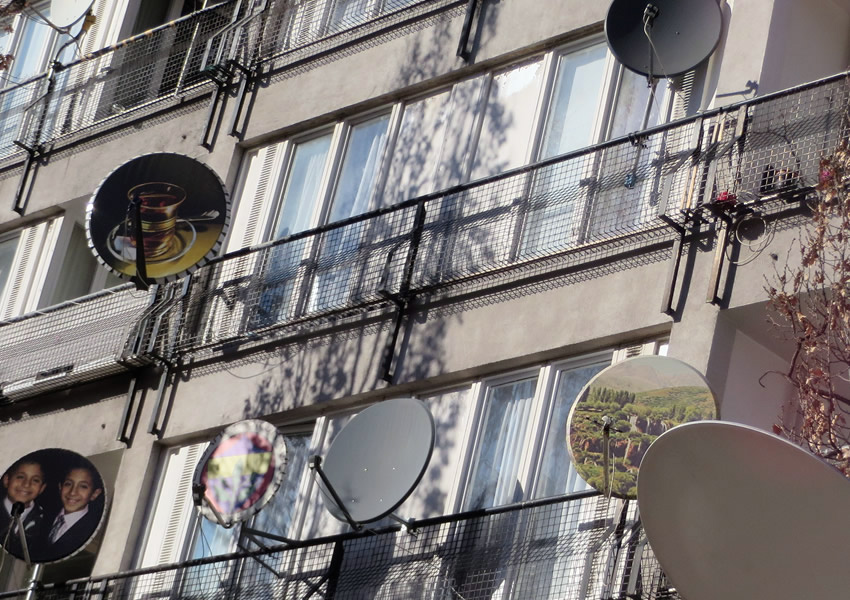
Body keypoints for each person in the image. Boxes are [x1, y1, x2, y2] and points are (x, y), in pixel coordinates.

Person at [40, 462, 104, 562]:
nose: (73, 492)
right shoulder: (42, 517)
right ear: (60, 487)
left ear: (94, 494)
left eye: (83, 486)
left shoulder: (92, 528)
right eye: (68, 484)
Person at [0, 458, 47, 560]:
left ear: (42, 488)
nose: (26, 484)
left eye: (35, 480)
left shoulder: (46, 522)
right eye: (20, 477)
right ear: (6, 480)